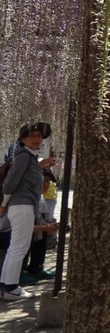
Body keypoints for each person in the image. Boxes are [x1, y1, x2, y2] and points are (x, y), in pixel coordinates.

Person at [0, 122, 55, 300]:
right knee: (20, 247)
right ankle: (11, 288)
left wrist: (40, 165)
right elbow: (10, 182)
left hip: (22, 205)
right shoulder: (23, 155)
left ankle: (5, 285)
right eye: (32, 136)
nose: (36, 139)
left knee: (15, 247)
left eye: (39, 136)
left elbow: (24, 175)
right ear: (23, 139)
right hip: (22, 205)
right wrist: (4, 202)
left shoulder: (29, 157)